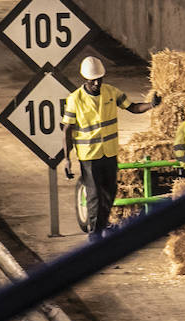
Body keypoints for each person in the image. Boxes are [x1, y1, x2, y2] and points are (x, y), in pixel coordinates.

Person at [62, 56, 157, 241]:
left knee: (109, 192)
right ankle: (95, 234)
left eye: (99, 78)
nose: (97, 82)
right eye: (93, 79)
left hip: (109, 152)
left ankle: (103, 226)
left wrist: (151, 105)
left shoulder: (111, 92)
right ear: (85, 79)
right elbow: (67, 129)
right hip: (89, 155)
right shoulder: (75, 99)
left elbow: (133, 108)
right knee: (94, 194)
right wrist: (67, 158)